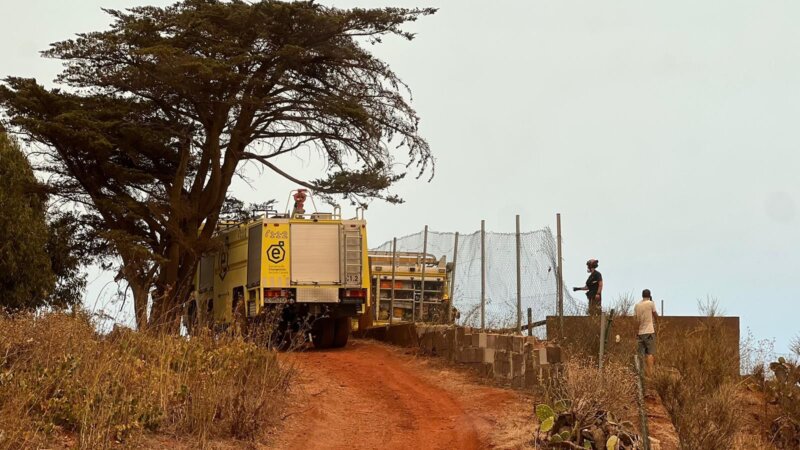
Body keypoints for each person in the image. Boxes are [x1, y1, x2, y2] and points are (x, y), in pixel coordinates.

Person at [635, 289, 658, 375]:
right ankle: (650, 373)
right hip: (649, 331)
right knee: (650, 353)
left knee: (641, 354)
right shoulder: (650, 303)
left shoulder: (637, 305)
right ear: (649, 295)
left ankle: (640, 373)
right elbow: (655, 314)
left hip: (640, 332)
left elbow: (636, 319)